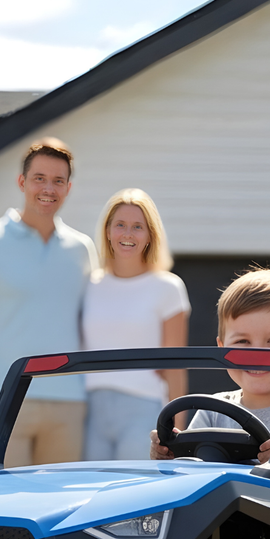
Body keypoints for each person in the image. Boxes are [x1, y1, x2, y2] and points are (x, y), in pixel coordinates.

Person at [0, 138, 97, 466]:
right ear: (22, 182)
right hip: (4, 401)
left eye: (58, 181)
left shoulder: (82, 249)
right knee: (2, 511)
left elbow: (95, 322)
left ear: (68, 188)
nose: (49, 188)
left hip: (69, 404)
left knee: (63, 512)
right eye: (39, 178)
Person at [151, 269, 270, 491]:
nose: (256, 355)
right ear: (222, 349)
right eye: (242, 341)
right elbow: (191, 474)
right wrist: (170, 454)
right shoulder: (212, 410)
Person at [83, 189, 190, 459]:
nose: (127, 234)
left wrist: (179, 431)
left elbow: (175, 367)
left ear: (150, 235)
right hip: (91, 410)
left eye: (137, 227)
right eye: (120, 225)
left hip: (143, 409)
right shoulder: (89, 285)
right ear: (107, 231)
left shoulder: (167, 287)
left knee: (134, 493)